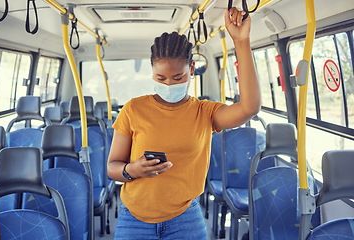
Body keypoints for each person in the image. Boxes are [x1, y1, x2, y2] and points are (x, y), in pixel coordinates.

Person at [107, 7, 260, 240]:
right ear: (152, 74)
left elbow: (249, 108)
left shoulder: (204, 112)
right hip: (133, 217)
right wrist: (132, 170)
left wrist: (241, 41)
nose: (169, 84)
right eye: (161, 78)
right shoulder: (133, 109)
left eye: (177, 78)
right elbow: (112, 167)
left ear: (191, 70)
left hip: (185, 217)